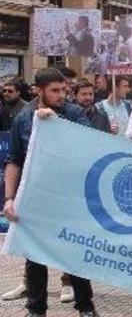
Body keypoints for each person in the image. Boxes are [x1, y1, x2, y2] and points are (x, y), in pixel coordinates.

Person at [3, 68, 98, 317]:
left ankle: (86, 307)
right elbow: (14, 160)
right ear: (39, 90)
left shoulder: (74, 113)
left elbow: (87, 143)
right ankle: (36, 310)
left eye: (64, 90)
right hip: (36, 198)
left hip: (69, 197)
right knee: (34, 256)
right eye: (55, 91)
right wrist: (9, 198)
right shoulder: (24, 117)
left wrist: (56, 124)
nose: (61, 95)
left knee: (74, 254)